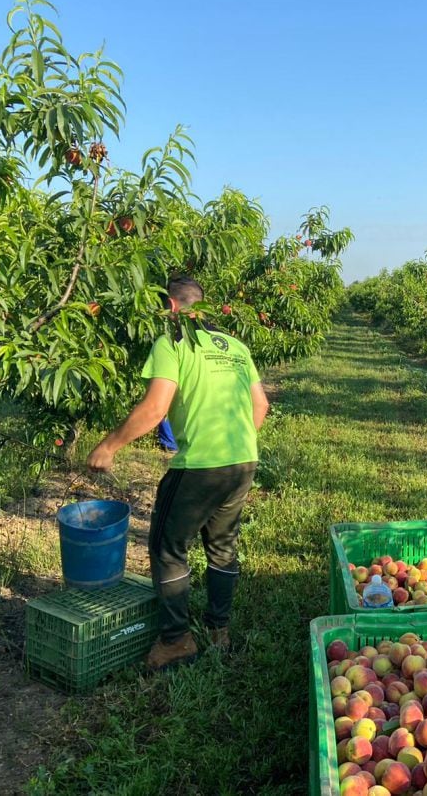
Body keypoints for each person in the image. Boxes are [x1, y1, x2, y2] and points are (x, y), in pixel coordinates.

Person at [87, 276, 270, 671]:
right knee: (222, 546)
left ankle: (175, 640)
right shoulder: (235, 347)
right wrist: (233, 446)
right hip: (242, 462)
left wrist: (108, 446)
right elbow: (261, 407)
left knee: (168, 547)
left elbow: (155, 410)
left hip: (200, 467)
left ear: (170, 307)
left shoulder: (172, 342)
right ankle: (218, 630)